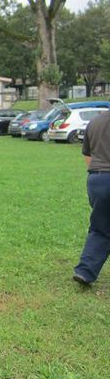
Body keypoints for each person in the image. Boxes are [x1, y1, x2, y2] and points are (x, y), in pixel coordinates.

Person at [73, 109, 110, 286]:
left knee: (100, 227)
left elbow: (88, 156)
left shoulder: (95, 122)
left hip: (97, 179)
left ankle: (85, 272)